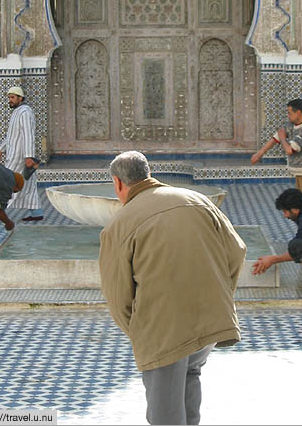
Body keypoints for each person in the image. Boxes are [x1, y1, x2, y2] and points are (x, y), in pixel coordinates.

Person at [99, 151, 247, 425]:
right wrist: (221, 296)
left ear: (118, 183)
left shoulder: (118, 224)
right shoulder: (198, 201)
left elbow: (117, 294)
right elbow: (237, 252)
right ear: (148, 174)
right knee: (191, 379)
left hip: (163, 328)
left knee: (165, 410)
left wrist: (138, 330)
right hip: (209, 318)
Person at [251, 97, 302, 204]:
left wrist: (282, 137)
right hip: (301, 174)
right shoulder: (291, 125)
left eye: (290, 113)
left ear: (298, 113)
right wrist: (260, 153)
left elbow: (290, 150)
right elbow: (275, 138)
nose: (288, 115)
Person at [0, 86, 42, 221]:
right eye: (9, 97)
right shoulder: (17, 112)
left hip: (20, 156)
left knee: (9, 182)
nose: (10, 100)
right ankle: (36, 212)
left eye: (12, 97)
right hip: (13, 154)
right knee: (28, 183)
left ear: (20, 98)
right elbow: (11, 136)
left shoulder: (25, 113)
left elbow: (29, 135)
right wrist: (1, 150)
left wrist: (28, 156)